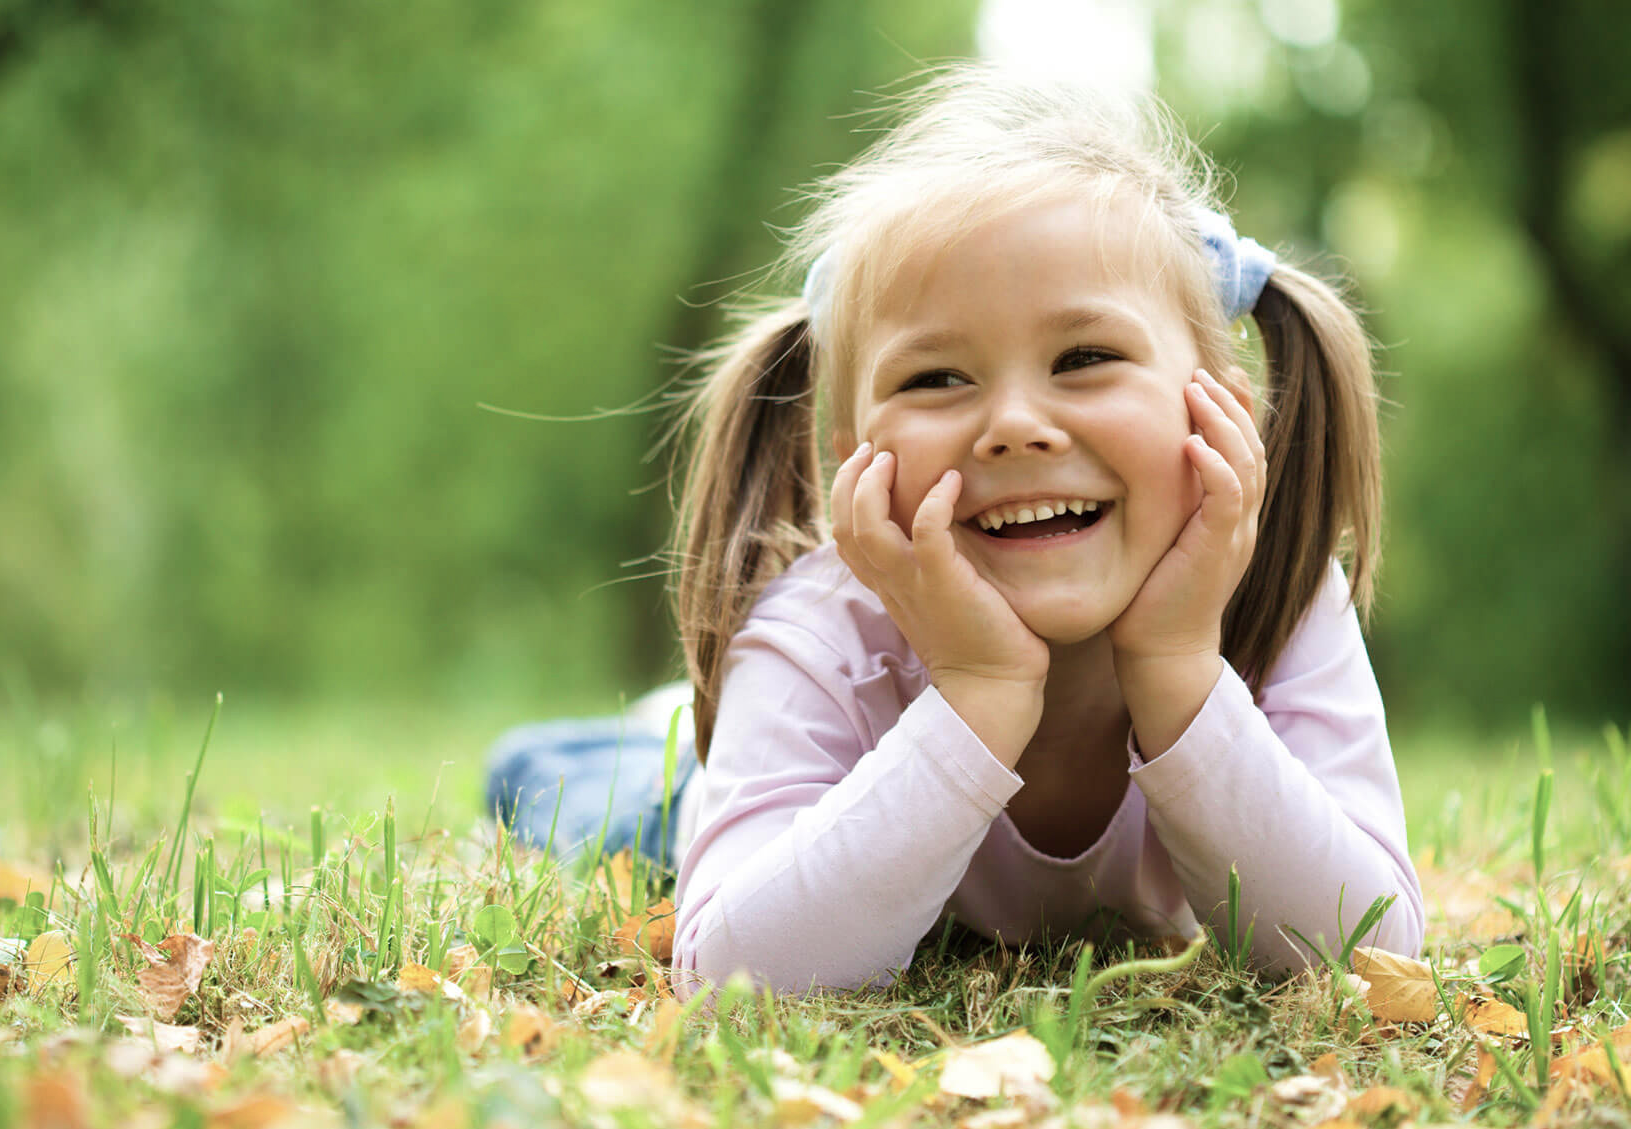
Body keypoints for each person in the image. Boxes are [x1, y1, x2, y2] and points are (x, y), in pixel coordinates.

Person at [489, 65, 1423, 994]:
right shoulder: (817, 633)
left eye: (1086, 357)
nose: (1016, 423)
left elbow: (1366, 950)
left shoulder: (1275, 592)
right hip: (722, 799)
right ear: (856, 451)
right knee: (574, 794)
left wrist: (1178, 663)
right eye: (935, 378)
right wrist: (979, 694)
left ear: (1216, 404)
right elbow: (735, 974)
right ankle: (649, 741)